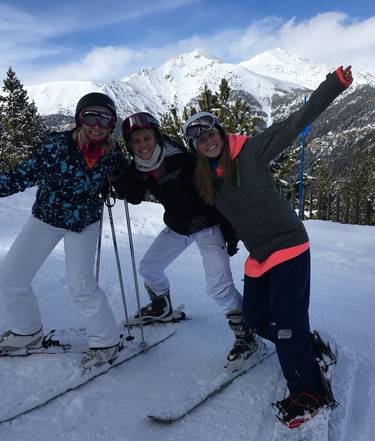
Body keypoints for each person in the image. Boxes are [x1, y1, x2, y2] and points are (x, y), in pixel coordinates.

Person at [183, 66, 353, 427]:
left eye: (210, 132)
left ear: (219, 132)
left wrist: (333, 84)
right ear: (195, 148)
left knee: (287, 326)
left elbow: (295, 122)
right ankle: (308, 347)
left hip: (289, 244)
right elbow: (229, 214)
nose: (207, 140)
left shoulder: (251, 152)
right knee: (259, 319)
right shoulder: (205, 180)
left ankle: (310, 394)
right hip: (259, 255)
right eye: (198, 139)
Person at [110, 112, 256, 369]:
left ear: (157, 137)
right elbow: (132, 195)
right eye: (136, 141)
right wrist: (113, 176)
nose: (143, 145)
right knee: (149, 267)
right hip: (178, 226)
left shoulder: (181, 161)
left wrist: (229, 231)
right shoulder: (140, 166)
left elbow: (215, 194)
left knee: (218, 287)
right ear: (129, 145)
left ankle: (247, 335)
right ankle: (161, 307)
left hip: (206, 225)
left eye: (147, 138)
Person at [0, 92, 125, 369]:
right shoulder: (55, 146)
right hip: (46, 218)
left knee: (81, 283)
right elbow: (20, 176)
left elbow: (132, 177)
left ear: (111, 123)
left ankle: (106, 340)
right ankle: (27, 332)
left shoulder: (112, 154)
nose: (96, 124)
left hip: (84, 224)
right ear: (79, 118)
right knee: (11, 276)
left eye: (103, 118)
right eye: (90, 116)